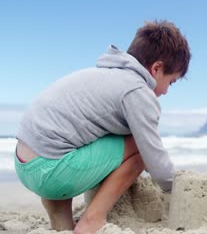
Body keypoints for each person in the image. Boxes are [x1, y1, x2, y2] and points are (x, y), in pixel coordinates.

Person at [14, 20, 191, 233]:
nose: (165, 92)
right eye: (170, 82)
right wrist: (182, 186)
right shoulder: (137, 91)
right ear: (156, 68)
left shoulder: (104, 76)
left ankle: (61, 221)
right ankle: (93, 219)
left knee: (77, 134)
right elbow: (155, 158)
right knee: (139, 145)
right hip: (52, 173)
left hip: (23, 164)